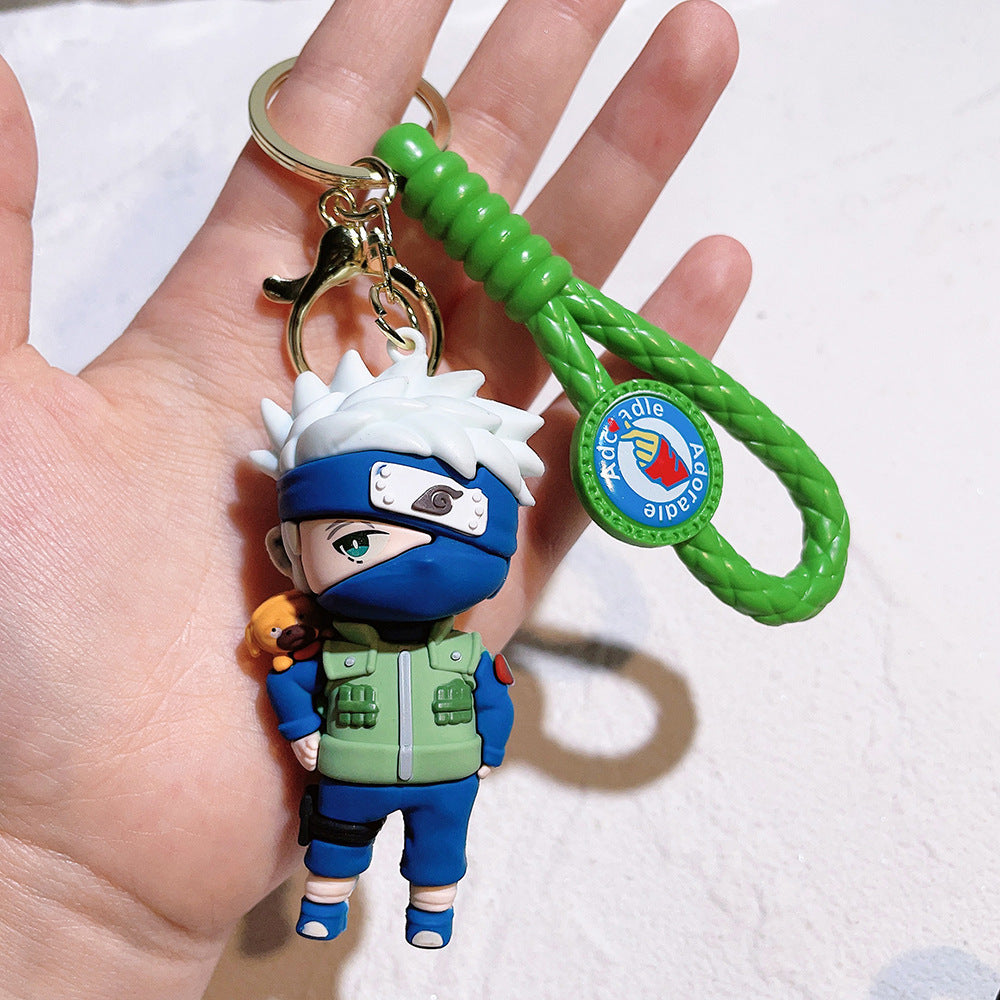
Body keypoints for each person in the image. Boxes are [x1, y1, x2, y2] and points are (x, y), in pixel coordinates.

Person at [0, 0, 750, 995]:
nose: (411, 548)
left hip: (436, 773)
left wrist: (486, 741)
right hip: (347, 771)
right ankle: (327, 896)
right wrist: (53, 885)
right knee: (340, 837)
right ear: (285, 553)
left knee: (438, 845)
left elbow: (488, 691)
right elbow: (301, 688)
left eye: (448, 519)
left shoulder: (452, 645)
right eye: (358, 535)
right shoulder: (318, 639)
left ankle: (430, 904)